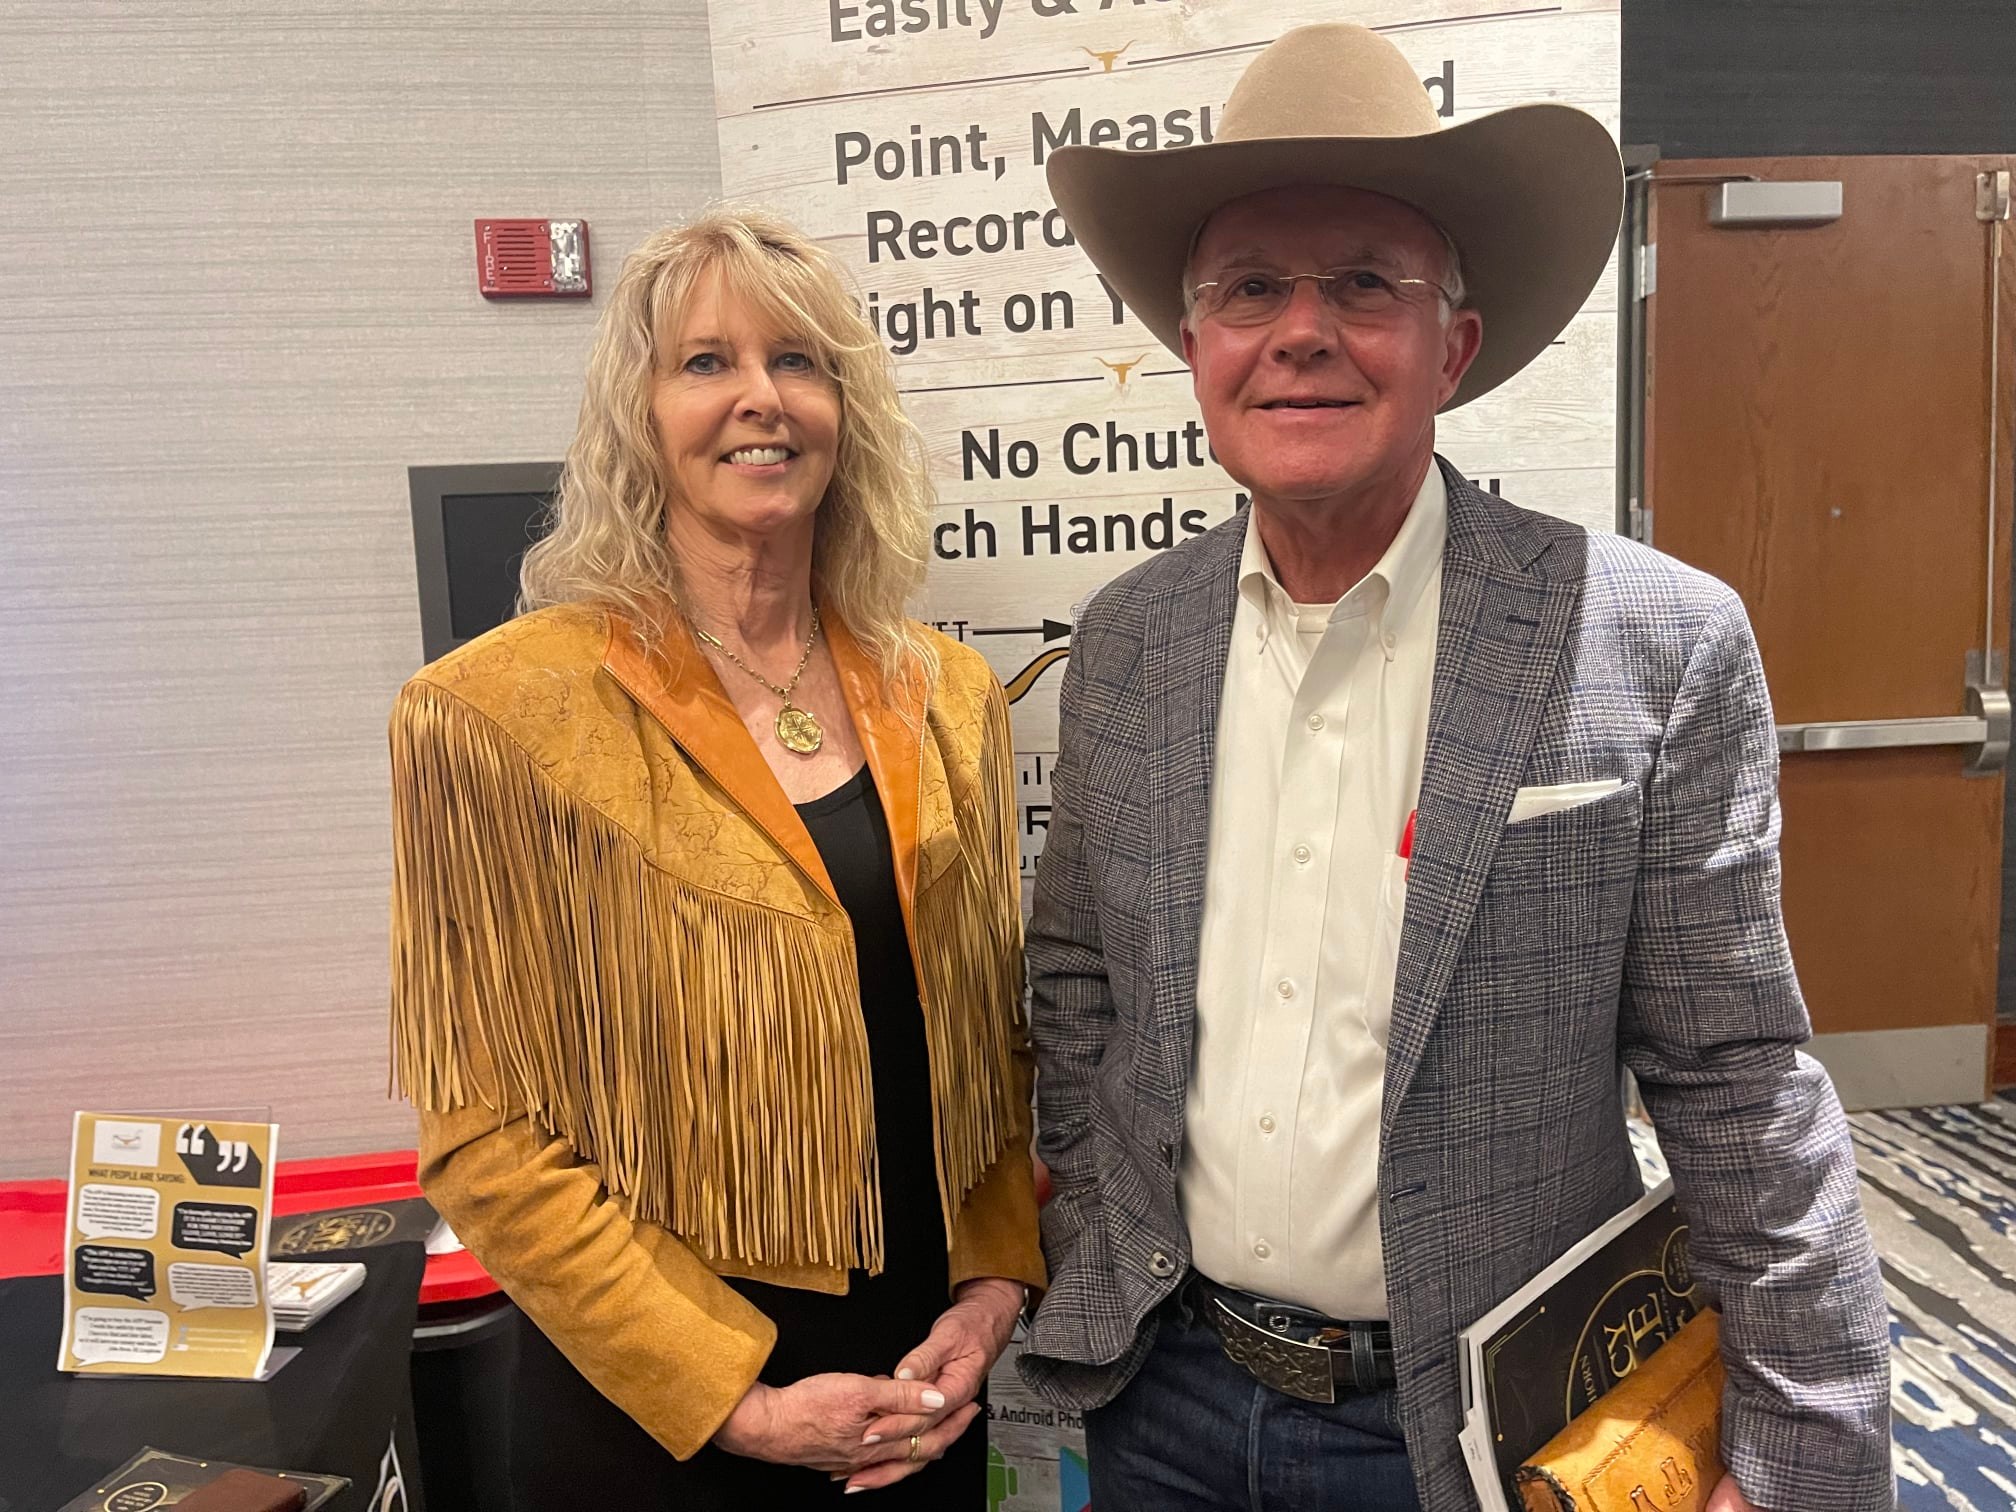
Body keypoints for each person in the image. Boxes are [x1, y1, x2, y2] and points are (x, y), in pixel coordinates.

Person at [1018, 22, 1891, 1512]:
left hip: (1476, 1434)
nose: (1300, 330)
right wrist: (1104, 1242)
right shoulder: (1130, 643)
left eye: (1363, 282)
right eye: (1248, 289)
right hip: (1161, 1399)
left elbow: (1735, 1077)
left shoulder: (1654, 642)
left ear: (1454, 346)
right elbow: (1082, 985)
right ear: (1194, 345)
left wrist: (1806, 1450)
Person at [387, 208, 1043, 1507]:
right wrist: (736, 1404)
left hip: (917, 1391)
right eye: (707, 363)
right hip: (654, 1416)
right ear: (641, 411)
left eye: (801, 362)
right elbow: (487, 1137)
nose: (762, 398)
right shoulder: (492, 716)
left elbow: (984, 1051)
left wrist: (991, 1292)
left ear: (845, 409)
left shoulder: (951, 693)